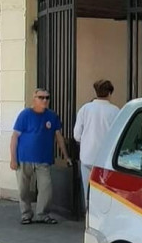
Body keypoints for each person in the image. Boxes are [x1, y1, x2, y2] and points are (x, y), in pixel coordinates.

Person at [10, 88, 72, 225]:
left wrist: (66, 156)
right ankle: (26, 214)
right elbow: (14, 137)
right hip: (24, 158)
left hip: (43, 159)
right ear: (34, 99)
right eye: (41, 97)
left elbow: (58, 136)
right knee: (23, 189)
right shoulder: (25, 115)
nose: (44, 100)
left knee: (46, 188)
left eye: (47, 97)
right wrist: (13, 159)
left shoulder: (52, 116)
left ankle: (42, 214)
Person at [74, 79, 119, 207]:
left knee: (87, 192)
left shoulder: (85, 109)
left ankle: (88, 214)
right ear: (109, 93)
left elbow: (76, 135)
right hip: (106, 160)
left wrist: (86, 141)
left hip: (87, 157)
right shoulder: (115, 110)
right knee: (104, 193)